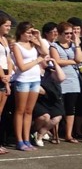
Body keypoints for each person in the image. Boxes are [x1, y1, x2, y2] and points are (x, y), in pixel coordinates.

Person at [11, 22, 50, 151]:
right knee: (20, 110)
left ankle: (27, 139)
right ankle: (19, 140)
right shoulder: (17, 46)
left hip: (35, 79)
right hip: (23, 80)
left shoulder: (33, 44)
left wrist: (38, 37)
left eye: (31, 32)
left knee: (29, 111)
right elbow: (22, 67)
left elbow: (45, 52)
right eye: (28, 32)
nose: (30, 35)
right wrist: (37, 60)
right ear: (21, 32)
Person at [49, 22, 82, 144]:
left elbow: (80, 58)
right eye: (66, 33)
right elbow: (57, 61)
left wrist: (77, 44)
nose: (69, 35)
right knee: (58, 108)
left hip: (73, 80)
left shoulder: (73, 46)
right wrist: (73, 61)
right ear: (59, 34)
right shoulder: (54, 46)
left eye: (71, 33)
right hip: (60, 79)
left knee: (70, 108)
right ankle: (56, 134)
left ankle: (69, 134)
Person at [31, 61, 66, 147]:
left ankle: (40, 134)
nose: (48, 59)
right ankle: (32, 131)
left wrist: (55, 63)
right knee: (45, 117)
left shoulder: (50, 70)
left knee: (57, 117)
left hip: (52, 98)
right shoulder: (34, 70)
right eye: (45, 57)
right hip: (39, 99)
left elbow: (62, 78)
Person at [0, 14, 13, 153]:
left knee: (1, 111)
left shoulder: (4, 39)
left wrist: (8, 76)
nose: (8, 28)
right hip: (0, 75)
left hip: (5, 76)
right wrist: (3, 76)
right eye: (6, 25)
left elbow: (8, 59)